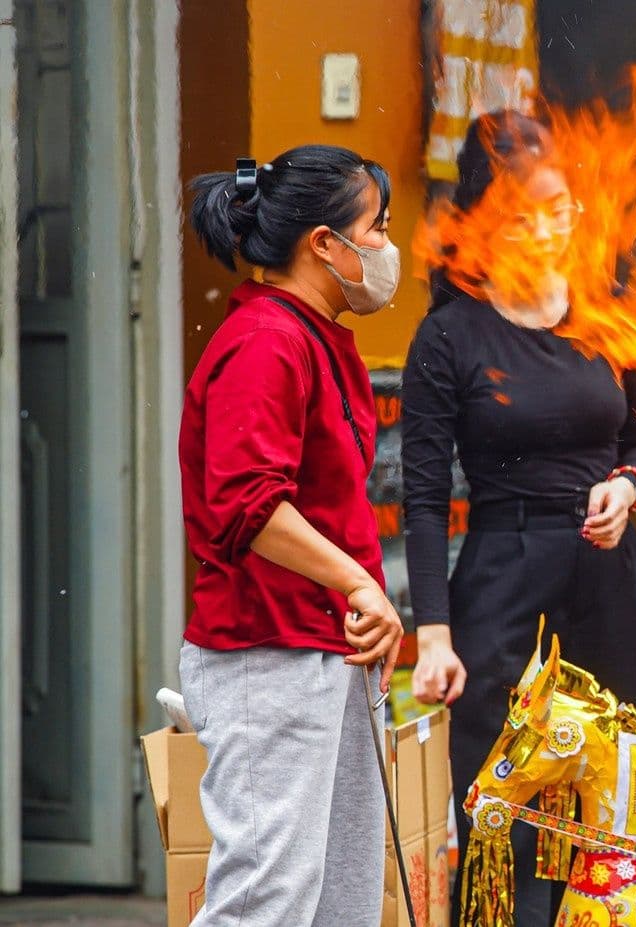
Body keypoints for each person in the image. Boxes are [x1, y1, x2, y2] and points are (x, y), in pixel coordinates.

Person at [401, 111, 636, 926]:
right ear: (481, 224)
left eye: (562, 211)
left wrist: (627, 483)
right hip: (503, 576)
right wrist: (434, 634)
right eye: (525, 216)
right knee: (501, 809)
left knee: (610, 805)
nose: (549, 231)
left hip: (610, 576)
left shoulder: (613, 310)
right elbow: (422, 495)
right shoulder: (448, 336)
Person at [179, 145, 404, 926]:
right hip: (267, 657)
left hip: (324, 652)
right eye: (375, 229)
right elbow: (247, 502)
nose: (384, 248)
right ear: (324, 244)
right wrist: (359, 582)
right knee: (265, 902)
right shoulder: (266, 342)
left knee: (339, 904)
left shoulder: (311, 334)